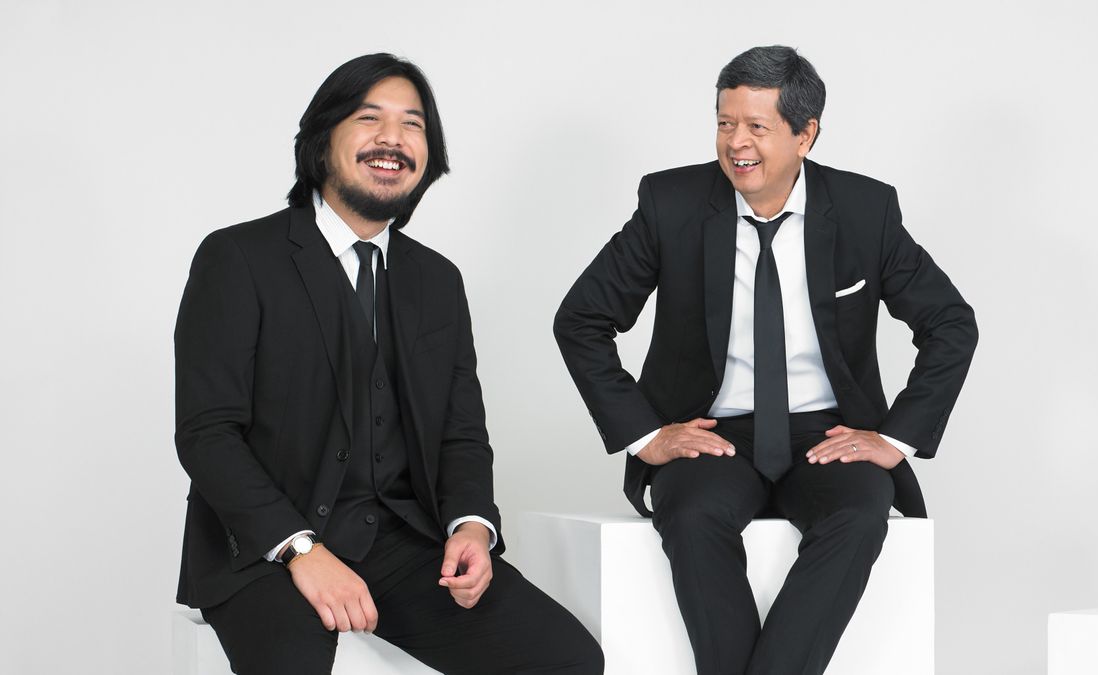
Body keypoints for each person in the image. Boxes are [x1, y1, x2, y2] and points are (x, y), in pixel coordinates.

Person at [554, 45, 977, 674]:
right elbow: (581, 319)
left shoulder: (865, 210)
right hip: (711, 431)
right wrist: (647, 435)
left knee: (860, 513)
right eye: (725, 123)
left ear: (806, 135)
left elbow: (950, 324)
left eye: (757, 126)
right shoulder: (670, 203)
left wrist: (894, 439)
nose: (736, 143)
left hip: (827, 432)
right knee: (691, 514)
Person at [175, 52, 603, 675]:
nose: (393, 139)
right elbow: (207, 433)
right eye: (369, 118)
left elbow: (460, 432)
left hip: (402, 545)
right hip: (267, 550)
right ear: (322, 141)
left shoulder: (437, 280)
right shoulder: (238, 257)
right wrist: (301, 551)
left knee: (567, 659)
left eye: (412, 124)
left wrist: (472, 526)